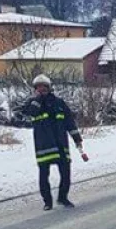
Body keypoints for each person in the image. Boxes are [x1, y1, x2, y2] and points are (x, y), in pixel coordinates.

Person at [22, 74, 84, 210]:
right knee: (44, 175)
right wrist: (38, 99)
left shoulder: (59, 103)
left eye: (44, 87)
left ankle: (63, 198)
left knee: (66, 173)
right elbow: (30, 112)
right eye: (38, 87)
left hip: (61, 145)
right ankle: (47, 202)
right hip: (44, 146)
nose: (41, 89)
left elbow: (70, 122)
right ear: (35, 89)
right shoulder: (32, 103)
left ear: (49, 88)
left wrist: (77, 139)